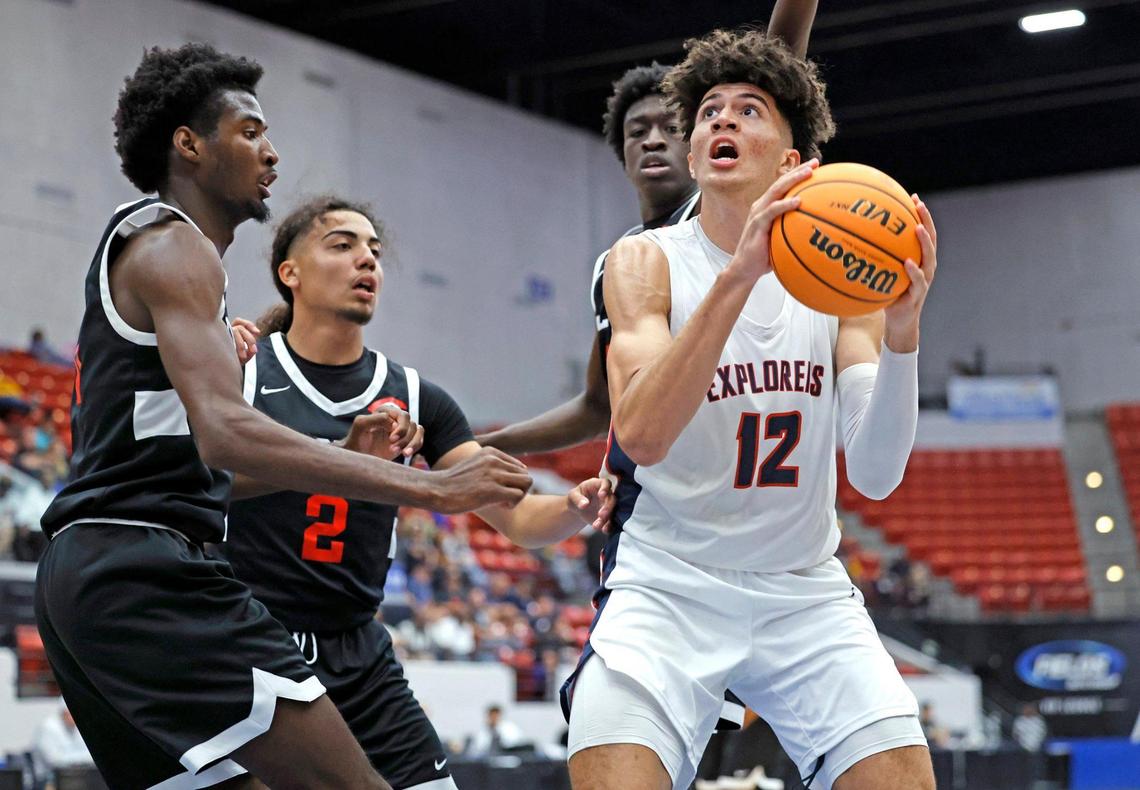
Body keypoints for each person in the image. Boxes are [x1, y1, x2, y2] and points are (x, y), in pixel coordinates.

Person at [34, 44, 532, 790]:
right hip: (148, 570)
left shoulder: (160, 255)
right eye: (250, 132)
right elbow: (228, 434)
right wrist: (431, 490)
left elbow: (206, 465)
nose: (271, 153)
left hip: (91, 576)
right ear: (189, 144)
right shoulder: (174, 246)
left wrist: (341, 449)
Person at [562, 28, 939, 790]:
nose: (721, 122)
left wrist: (903, 335)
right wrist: (739, 277)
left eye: (749, 110)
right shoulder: (645, 263)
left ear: (795, 164)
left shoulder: (842, 290)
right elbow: (641, 432)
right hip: (668, 586)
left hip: (801, 591)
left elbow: (875, 474)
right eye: (708, 113)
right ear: (697, 155)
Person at [222, 197, 613, 789]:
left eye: (374, 252)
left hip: (357, 648)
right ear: (289, 272)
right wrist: (338, 458)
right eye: (343, 245)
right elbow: (194, 481)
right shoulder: (242, 369)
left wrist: (575, 507)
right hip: (252, 633)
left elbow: (521, 520)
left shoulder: (415, 394)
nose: (366, 261)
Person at [476, 0, 818, 457]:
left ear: (699, 147)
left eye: (670, 127)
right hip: (653, 489)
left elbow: (778, 63)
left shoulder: (721, 211)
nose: (653, 139)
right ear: (623, 154)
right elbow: (600, 408)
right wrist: (480, 445)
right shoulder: (619, 262)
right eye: (637, 131)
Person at [32, 698, 95, 775]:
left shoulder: (79, 726)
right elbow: (54, 760)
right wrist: (81, 759)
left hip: (78, 776)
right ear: (63, 713)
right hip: (48, 778)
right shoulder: (48, 727)